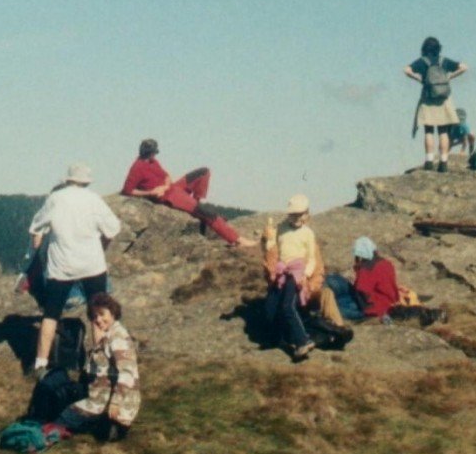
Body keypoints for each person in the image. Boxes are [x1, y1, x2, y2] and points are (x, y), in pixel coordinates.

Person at [28, 163, 122, 375]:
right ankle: (100, 361)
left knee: (51, 315)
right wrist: (101, 248)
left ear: (67, 180)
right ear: (87, 181)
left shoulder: (55, 199)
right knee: (98, 314)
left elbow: (36, 229)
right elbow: (112, 229)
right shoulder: (94, 199)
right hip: (93, 264)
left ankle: (41, 364)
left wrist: (38, 253)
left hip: (62, 266)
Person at [120, 139, 256, 248]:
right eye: (153, 153)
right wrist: (151, 192)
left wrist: (165, 185)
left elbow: (166, 176)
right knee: (207, 213)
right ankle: (236, 240)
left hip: (172, 188)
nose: (154, 155)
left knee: (204, 172)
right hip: (169, 197)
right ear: (148, 153)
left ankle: (196, 203)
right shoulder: (137, 168)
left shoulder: (153, 161)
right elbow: (127, 191)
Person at [54, 292, 140, 439]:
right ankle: (103, 425)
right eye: (94, 316)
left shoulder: (117, 338)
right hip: (103, 395)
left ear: (113, 313)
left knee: (63, 418)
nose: (98, 320)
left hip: (111, 403)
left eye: (102, 314)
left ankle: (105, 424)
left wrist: (116, 403)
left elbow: (127, 374)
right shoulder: (109, 334)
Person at [261, 194, 322, 360]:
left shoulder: (308, 233)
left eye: (301, 214)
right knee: (270, 307)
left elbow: (312, 259)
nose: (297, 218)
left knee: (288, 306)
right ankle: (277, 338)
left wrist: (306, 275)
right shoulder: (280, 228)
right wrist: (268, 240)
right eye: (293, 214)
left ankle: (303, 341)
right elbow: (272, 246)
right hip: (282, 271)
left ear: (307, 214)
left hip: (297, 273)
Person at [404, 37, 470, 172]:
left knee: (428, 131)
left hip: (428, 98)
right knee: (443, 131)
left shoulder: (422, 62)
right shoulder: (443, 61)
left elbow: (406, 70)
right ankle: (443, 162)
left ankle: (429, 161)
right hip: (444, 98)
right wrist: (450, 76)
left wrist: (418, 78)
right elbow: (464, 67)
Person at [324, 236, 400, 322]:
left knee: (335, 305)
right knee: (338, 287)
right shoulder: (386, 263)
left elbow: (362, 292)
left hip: (372, 308)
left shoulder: (366, 269)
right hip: (387, 301)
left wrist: (358, 272)